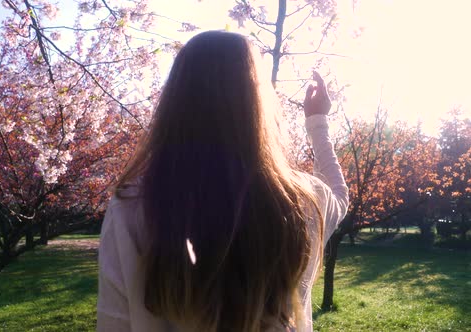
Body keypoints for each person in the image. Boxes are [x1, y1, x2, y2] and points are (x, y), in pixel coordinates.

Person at [97, 30, 348, 332]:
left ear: (176, 100)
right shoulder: (302, 202)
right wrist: (317, 124)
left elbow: (115, 322)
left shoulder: (134, 205)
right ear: (259, 102)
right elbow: (339, 197)